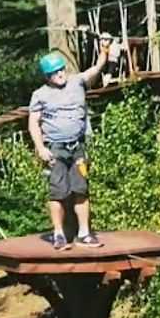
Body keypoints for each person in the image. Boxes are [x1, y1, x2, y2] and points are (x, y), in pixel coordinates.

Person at [27, 41, 110, 250]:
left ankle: (84, 234)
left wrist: (103, 50)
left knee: (81, 190)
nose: (60, 74)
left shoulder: (77, 82)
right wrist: (40, 148)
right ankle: (58, 234)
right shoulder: (40, 94)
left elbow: (96, 69)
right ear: (47, 76)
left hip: (78, 148)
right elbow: (33, 123)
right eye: (55, 73)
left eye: (61, 69)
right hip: (55, 149)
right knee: (58, 193)